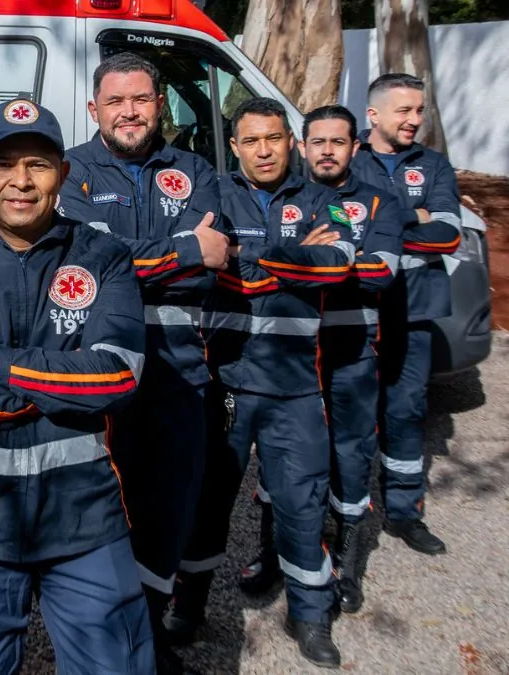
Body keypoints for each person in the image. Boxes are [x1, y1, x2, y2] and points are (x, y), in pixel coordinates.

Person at [0, 98, 151, 674]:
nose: (21, 180)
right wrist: (65, 380)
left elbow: (116, 377)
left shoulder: (104, 257)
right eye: (4, 163)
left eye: (38, 164)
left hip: (83, 516)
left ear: (63, 174)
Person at [166, 98, 355, 668]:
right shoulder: (212, 194)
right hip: (224, 382)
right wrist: (291, 260)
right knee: (207, 504)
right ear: (236, 146)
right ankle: (188, 607)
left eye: (273, 138)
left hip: (296, 386)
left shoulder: (328, 199)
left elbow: (339, 263)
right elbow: (202, 261)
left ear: (291, 142)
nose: (264, 150)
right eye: (251, 141)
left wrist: (245, 255)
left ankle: (311, 615)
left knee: (301, 504)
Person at [57, 52, 226, 675]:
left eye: (142, 99)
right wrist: (182, 249)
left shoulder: (195, 169)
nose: (129, 111)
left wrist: (133, 258)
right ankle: (101, 636)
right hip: (93, 371)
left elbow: (213, 259)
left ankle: (148, 637)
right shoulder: (68, 172)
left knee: (166, 508)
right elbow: (80, 258)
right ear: (94, 109)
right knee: (96, 508)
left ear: (160, 106)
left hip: (177, 371)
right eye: (116, 101)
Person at [238, 106, 409, 614]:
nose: (328, 151)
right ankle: (273, 553)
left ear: (355, 146)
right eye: (319, 142)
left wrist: (315, 263)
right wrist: (307, 258)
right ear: (303, 145)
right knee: (286, 466)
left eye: (339, 142)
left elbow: (377, 275)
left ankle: (347, 565)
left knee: (351, 457)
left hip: (349, 348)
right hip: (292, 354)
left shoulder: (376, 201)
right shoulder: (290, 199)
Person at [350, 73, 461, 556]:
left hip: (415, 309)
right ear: (373, 115)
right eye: (405, 111)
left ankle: (403, 512)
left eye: (419, 110)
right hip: (357, 309)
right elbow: (333, 221)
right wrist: (413, 217)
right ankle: (348, 516)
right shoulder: (348, 157)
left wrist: (377, 221)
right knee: (349, 414)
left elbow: (449, 234)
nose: (415, 120)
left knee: (406, 411)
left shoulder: (434, 165)